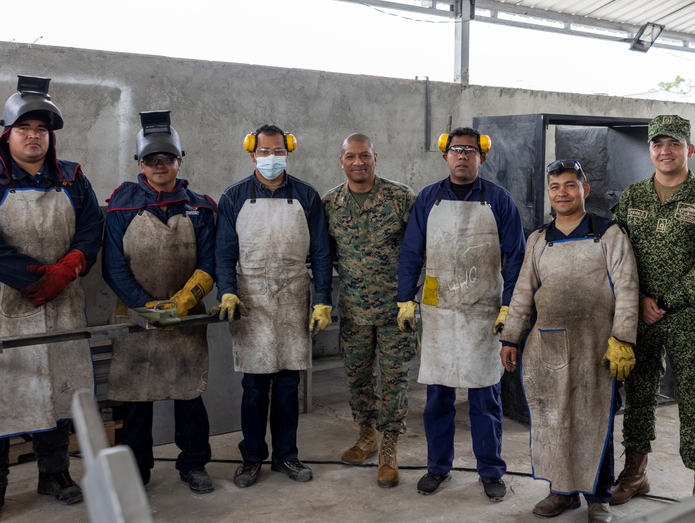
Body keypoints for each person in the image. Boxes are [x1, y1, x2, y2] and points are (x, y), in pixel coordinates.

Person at [0, 75, 103, 523]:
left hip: (61, 305)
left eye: (41, 130)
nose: (34, 136)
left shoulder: (73, 178)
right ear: (8, 133)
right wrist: (33, 277)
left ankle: (54, 474)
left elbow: (92, 229)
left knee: (58, 389)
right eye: (25, 129)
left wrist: (71, 265)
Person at [501, 158, 639, 523]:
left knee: (595, 421)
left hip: (596, 347)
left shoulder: (607, 234)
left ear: (584, 190)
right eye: (555, 187)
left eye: (569, 186)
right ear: (550, 194)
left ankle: (599, 497)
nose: (562, 193)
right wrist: (511, 337)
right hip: (548, 348)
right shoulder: (538, 240)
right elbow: (522, 293)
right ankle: (560, 491)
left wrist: (623, 338)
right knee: (553, 420)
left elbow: (627, 289)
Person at [397, 127, 526, 502]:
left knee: (485, 396)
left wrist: (509, 305)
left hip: (483, 312)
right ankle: (438, 467)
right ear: (445, 156)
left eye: (471, 151)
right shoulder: (428, 199)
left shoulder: (499, 200)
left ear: (482, 158)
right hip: (438, 311)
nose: (463, 156)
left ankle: (490, 470)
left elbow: (516, 256)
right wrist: (406, 298)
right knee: (438, 396)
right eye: (456, 150)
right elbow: (411, 252)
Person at [213, 124, 333, 488]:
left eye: (277, 151)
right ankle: (251, 458)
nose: (271, 158)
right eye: (264, 152)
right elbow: (224, 253)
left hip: (294, 297)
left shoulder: (307, 197)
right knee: (254, 388)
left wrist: (323, 299)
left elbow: (322, 253)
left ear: (288, 151)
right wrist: (228, 292)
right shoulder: (233, 197)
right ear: (252, 154)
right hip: (252, 302)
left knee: (286, 385)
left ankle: (286, 456)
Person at [102, 110, 216, 493]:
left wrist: (184, 301)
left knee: (188, 395)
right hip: (136, 320)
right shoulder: (121, 206)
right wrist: (143, 304)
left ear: (179, 161)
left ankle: (194, 464)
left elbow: (210, 262)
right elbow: (113, 268)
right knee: (137, 398)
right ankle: (136, 471)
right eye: (151, 160)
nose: (160, 165)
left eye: (167, 158)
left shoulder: (201, 207)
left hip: (187, 320)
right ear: (141, 164)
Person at [610, 115, 695, 501]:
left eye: (674, 143)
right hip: (639, 312)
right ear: (650, 150)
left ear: (688, 149)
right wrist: (638, 299)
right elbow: (617, 253)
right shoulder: (633, 196)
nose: (665, 151)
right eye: (658, 144)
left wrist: (667, 300)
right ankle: (635, 472)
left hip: (690, 314)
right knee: (638, 393)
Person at [323, 134, 416, 488]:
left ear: (376, 158)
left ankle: (390, 449)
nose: (357, 162)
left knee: (394, 381)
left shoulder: (400, 198)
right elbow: (324, 254)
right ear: (341, 160)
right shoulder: (330, 202)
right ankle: (367, 437)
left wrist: (416, 297)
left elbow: (420, 248)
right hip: (354, 311)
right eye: (350, 156)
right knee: (358, 378)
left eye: (364, 155)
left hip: (397, 311)